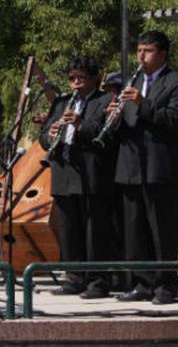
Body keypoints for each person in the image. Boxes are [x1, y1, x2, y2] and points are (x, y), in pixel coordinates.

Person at [110, 30, 178, 305]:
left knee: (161, 230)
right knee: (135, 230)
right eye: (139, 51)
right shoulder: (133, 81)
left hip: (158, 167)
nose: (141, 56)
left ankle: (165, 285)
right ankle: (142, 283)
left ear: (163, 54)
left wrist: (142, 103)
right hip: (131, 166)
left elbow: (174, 119)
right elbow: (128, 126)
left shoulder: (177, 81)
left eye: (147, 51)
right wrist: (114, 118)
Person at [38, 56, 118, 298]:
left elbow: (107, 135)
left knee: (94, 231)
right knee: (68, 230)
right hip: (64, 172)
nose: (75, 82)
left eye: (81, 77)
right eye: (72, 78)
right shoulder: (62, 102)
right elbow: (43, 136)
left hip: (92, 174)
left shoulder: (105, 100)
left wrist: (80, 124)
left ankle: (97, 281)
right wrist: (51, 135)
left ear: (94, 78)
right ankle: (73, 277)